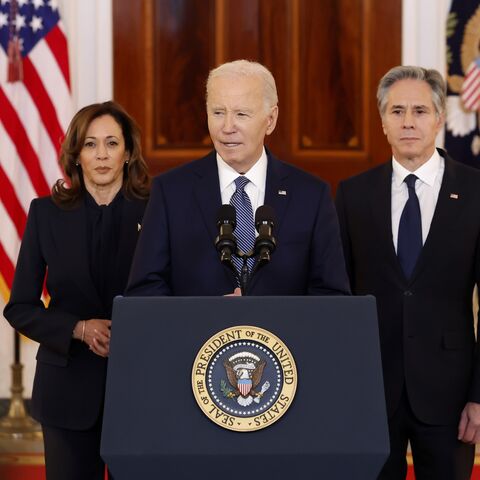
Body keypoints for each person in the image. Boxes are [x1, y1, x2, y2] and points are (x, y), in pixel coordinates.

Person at [336, 66, 480, 479]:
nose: (408, 121)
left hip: (450, 396)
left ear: (439, 118)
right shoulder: (352, 194)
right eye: (397, 111)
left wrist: (479, 396)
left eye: (420, 110)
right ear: (382, 122)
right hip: (371, 391)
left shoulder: (475, 192)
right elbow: (336, 297)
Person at [3, 101, 150, 480]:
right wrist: (78, 329)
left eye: (112, 143)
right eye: (90, 144)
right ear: (76, 154)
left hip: (141, 389)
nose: (101, 154)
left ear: (128, 151)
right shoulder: (45, 213)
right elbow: (19, 306)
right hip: (66, 392)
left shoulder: (154, 211)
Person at [126, 59, 349, 297]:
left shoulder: (311, 196)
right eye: (218, 113)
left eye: (241, 114)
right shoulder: (170, 192)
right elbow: (144, 291)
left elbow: (331, 296)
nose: (227, 127)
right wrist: (207, 319)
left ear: (270, 119)